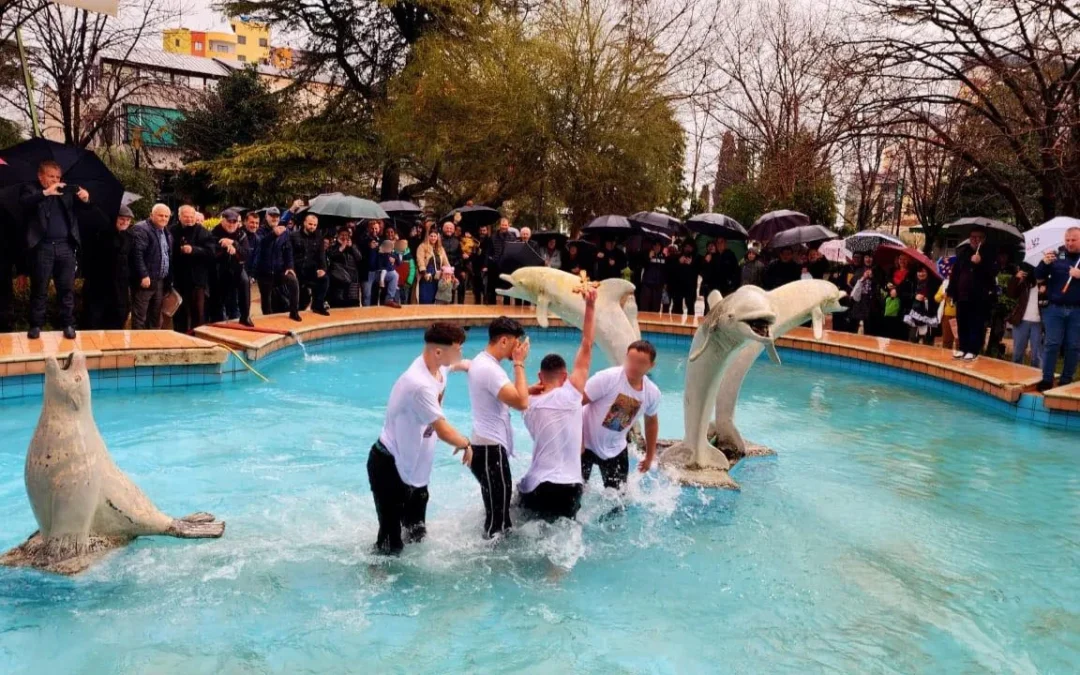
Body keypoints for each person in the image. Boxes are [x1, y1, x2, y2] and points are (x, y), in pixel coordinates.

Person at [367, 322, 473, 555]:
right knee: (389, 544)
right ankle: (376, 583)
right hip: (389, 466)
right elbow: (444, 430)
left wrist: (472, 367)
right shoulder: (419, 384)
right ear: (438, 352)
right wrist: (466, 443)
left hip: (414, 471)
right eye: (458, 349)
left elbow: (457, 365)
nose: (460, 354)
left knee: (417, 534)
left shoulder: (438, 365)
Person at [518, 285, 597, 521]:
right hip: (571, 486)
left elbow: (511, 393)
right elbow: (586, 343)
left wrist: (519, 364)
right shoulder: (572, 394)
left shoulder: (526, 402)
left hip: (538, 485)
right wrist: (590, 305)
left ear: (540, 377)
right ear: (565, 377)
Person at [467, 317, 530, 538]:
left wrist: (529, 389)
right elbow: (521, 402)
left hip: (484, 448)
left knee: (497, 513)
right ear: (504, 341)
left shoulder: (483, 362)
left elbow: (505, 394)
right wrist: (519, 363)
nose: (518, 348)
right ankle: (491, 566)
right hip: (489, 451)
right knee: (499, 522)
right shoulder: (491, 370)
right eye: (516, 343)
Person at [20, 160, 91, 339]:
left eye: (58, 177)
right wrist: (46, 193)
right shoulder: (31, 189)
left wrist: (85, 198)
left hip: (65, 247)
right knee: (40, 288)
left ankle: (67, 324)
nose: (55, 180)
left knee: (66, 289)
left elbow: (83, 211)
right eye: (51, 176)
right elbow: (24, 203)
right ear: (40, 176)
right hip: (43, 247)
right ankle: (36, 325)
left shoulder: (65, 192)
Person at [581, 340, 661, 490]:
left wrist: (650, 456)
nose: (634, 366)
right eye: (631, 359)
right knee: (574, 495)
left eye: (641, 362)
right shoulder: (607, 378)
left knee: (619, 500)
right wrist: (576, 439)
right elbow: (575, 404)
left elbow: (651, 423)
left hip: (615, 449)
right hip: (584, 446)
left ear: (651, 365)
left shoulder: (652, 393)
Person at [1035, 227, 1080, 390]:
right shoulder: (1056, 255)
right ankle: (1046, 379)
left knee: (1074, 346)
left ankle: (1066, 380)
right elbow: (1038, 275)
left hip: (1077, 310)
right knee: (1052, 344)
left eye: (1073, 240)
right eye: (1067, 240)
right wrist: (1044, 263)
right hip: (1055, 309)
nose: (1069, 243)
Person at [947, 227, 998, 360]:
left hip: (978, 297)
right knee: (962, 322)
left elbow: (992, 274)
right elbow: (955, 273)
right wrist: (951, 291)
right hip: (962, 295)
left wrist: (980, 263)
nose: (975, 240)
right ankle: (962, 348)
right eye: (972, 237)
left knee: (975, 323)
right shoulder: (963, 252)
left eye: (978, 237)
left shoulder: (989, 254)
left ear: (984, 239)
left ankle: (973, 350)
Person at [82, 205, 134, 330]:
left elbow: (130, 260)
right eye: (122, 219)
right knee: (94, 319)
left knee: (118, 317)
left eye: (128, 220)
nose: (125, 222)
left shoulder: (129, 237)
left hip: (119, 286)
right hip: (99, 284)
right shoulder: (101, 234)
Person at [170, 205, 215, 334]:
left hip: (197, 280)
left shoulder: (203, 232)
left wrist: (194, 250)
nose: (189, 219)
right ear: (179, 217)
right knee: (180, 312)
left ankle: (198, 337)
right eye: (186, 216)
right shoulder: (172, 231)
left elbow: (211, 253)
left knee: (198, 312)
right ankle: (180, 335)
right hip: (179, 280)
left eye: (191, 216)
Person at [130, 204, 173, 330]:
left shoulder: (165, 231)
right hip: (146, 280)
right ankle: (139, 345)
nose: (164, 218)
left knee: (155, 316)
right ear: (151, 215)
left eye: (166, 216)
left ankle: (153, 342)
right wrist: (143, 275)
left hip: (159, 280)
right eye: (160, 215)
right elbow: (136, 254)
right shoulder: (141, 229)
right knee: (140, 316)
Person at [209, 209, 254, 326]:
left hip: (236, 268)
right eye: (229, 221)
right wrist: (224, 248)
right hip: (219, 269)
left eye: (234, 222)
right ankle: (217, 320)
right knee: (219, 297)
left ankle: (245, 316)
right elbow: (211, 252)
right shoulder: (214, 232)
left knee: (245, 282)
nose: (232, 224)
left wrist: (234, 244)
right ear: (223, 220)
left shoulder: (241, 234)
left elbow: (246, 254)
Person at [255, 212, 301, 321]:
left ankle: (294, 312)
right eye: (272, 216)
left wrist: (290, 267)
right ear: (266, 217)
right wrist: (273, 234)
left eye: (276, 217)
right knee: (266, 300)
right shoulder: (260, 231)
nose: (274, 218)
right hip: (264, 272)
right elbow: (262, 244)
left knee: (293, 281)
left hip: (279, 270)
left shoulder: (285, 232)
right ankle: (267, 320)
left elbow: (288, 250)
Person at [290, 213, 330, 316]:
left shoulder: (319, 237)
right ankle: (294, 312)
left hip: (311, 270)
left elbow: (321, 255)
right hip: (297, 270)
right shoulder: (294, 236)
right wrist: (290, 268)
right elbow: (289, 254)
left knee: (325, 279)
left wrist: (323, 269)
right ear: (304, 223)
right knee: (302, 299)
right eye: (310, 224)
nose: (312, 227)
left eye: (315, 225)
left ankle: (318, 306)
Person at [1006, 263, 1043, 368]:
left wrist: (1044, 292)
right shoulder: (1025, 282)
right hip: (1021, 321)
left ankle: (1035, 380)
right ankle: (1016, 377)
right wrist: (1016, 279)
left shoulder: (1046, 283)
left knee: (1036, 356)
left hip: (1039, 323)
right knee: (1017, 354)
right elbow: (1011, 294)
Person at [327, 227, 365, 307]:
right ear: (338, 235)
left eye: (346, 235)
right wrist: (341, 247)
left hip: (352, 277)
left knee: (352, 302)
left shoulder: (353, 245)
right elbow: (331, 255)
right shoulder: (333, 245)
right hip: (338, 278)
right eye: (342, 235)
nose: (344, 237)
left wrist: (352, 247)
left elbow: (359, 258)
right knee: (338, 301)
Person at [902, 266, 939, 344]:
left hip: (929, 315)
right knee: (912, 339)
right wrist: (914, 296)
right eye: (919, 272)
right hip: (914, 314)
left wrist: (928, 299)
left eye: (924, 272)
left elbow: (937, 299)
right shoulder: (912, 282)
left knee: (928, 341)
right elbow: (903, 294)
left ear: (928, 273)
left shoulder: (934, 283)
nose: (921, 274)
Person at [486, 217, 516, 305]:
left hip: (507, 267)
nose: (504, 227)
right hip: (495, 266)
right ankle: (492, 307)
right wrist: (488, 264)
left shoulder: (512, 237)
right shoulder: (493, 237)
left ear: (508, 225)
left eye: (506, 225)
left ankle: (506, 307)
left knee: (506, 289)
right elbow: (489, 252)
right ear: (500, 225)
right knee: (493, 288)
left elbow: (514, 252)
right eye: (502, 225)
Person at [417, 229, 450, 305]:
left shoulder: (440, 249)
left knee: (437, 298)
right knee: (426, 298)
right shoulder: (422, 246)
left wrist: (450, 273)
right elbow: (420, 260)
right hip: (427, 274)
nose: (433, 238)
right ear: (428, 237)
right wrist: (424, 273)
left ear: (437, 237)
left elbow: (446, 262)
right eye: (431, 236)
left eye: (435, 236)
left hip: (438, 275)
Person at [667, 241, 698, 316]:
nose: (688, 249)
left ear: (693, 249)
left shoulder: (697, 258)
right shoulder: (677, 257)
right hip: (678, 287)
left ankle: (690, 326)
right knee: (677, 309)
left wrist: (691, 264)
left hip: (691, 288)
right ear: (683, 247)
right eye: (686, 247)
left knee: (690, 309)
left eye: (690, 247)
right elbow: (670, 269)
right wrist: (678, 262)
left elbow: (700, 271)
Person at [637, 241, 667, 312]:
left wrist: (665, 283)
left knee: (655, 308)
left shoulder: (663, 257)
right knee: (644, 307)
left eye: (659, 246)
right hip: (647, 285)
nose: (657, 247)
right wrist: (648, 258)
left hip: (658, 286)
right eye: (655, 245)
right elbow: (641, 265)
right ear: (652, 246)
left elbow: (665, 271)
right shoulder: (646, 254)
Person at [360, 219, 384, 307]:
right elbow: (360, 255)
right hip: (367, 272)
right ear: (369, 229)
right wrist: (369, 247)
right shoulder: (364, 239)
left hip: (377, 271)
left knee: (375, 296)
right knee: (367, 296)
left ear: (379, 229)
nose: (374, 230)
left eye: (376, 228)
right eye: (372, 228)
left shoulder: (381, 240)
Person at [440, 221, 463, 304]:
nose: (449, 230)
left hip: (455, 267)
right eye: (447, 228)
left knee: (453, 288)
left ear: (453, 230)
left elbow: (460, 255)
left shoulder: (457, 241)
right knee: (443, 287)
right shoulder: (439, 240)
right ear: (443, 229)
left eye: (451, 228)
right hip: (442, 267)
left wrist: (458, 267)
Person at [472, 224, 492, 305]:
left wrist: (486, 266)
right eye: (481, 230)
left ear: (487, 231)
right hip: (475, 267)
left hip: (485, 268)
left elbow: (489, 254)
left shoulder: (489, 241)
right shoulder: (475, 240)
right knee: (476, 289)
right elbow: (472, 253)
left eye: (484, 230)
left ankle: (485, 305)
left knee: (485, 289)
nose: (482, 232)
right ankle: (477, 305)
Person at [394, 238, 416, 304]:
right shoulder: (394, 254)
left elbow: (412, 269)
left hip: (406, 283)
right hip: (396, 283)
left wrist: (409, 281)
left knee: (405, 300)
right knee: (396, 299)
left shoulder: (410, 257)